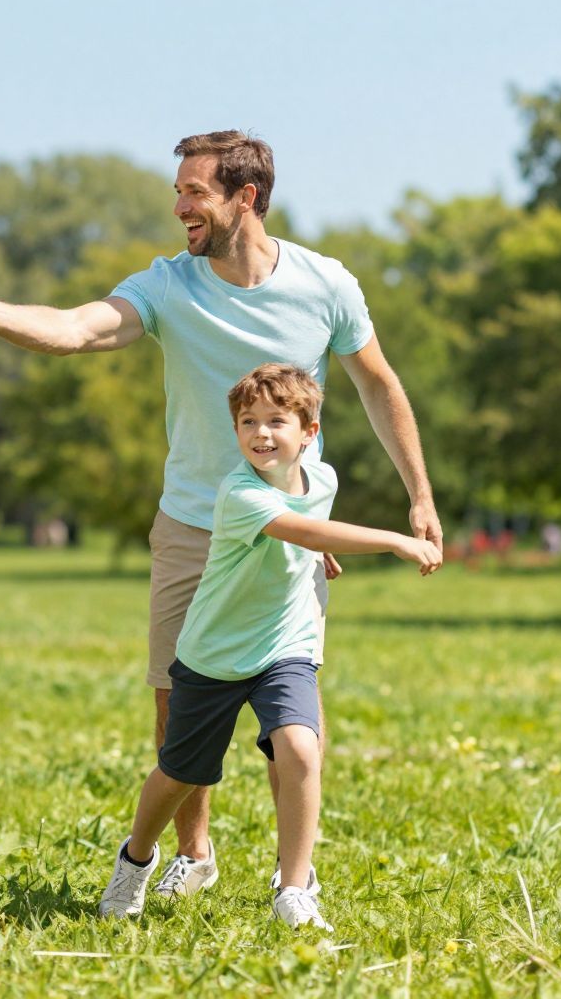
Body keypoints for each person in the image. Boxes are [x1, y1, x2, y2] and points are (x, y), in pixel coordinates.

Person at [0, 130, 442, 902]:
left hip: (288, 532)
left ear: (246, 198)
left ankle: (295, 875)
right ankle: (192, 853)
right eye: (179, 191)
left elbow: (377, 385)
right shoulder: (169, 286)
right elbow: (77, 329)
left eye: (194, 192)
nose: (179, 207)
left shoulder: (326, 284)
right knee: (178, 710)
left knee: (291, 711)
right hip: (192, 524)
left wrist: (419, 495)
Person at [97, 364, 440, 928]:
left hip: (285, 646)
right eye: (247, 422)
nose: (260, 433)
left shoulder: (321, 479)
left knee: (302, 749)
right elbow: (303, 530)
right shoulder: (239, 492)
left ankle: (296, 888)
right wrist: (393, 540)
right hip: (214, 655)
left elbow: (308, 527)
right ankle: (135, 860)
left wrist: (314, 552)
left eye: (276, 421)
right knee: (180, 774)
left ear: (309, 431)